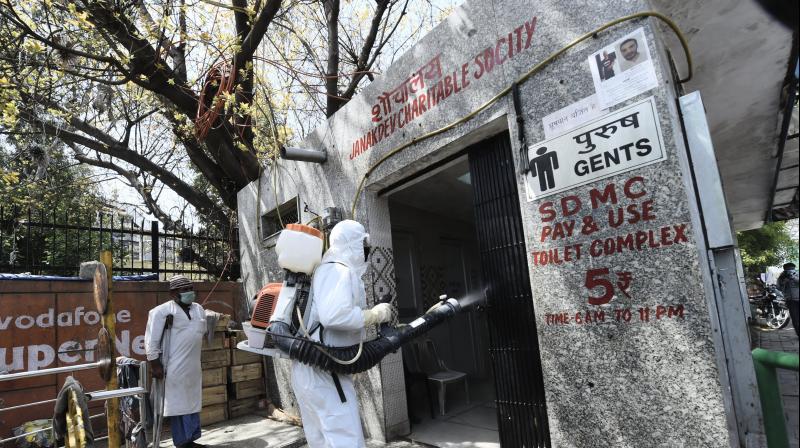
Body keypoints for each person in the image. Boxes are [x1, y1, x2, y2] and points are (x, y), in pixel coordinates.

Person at [291, 220, 394, 447]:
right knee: (346, 440)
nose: (366, 251)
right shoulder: (337, 269)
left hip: (314, 369)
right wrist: (375, 315)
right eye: (363, 245)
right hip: (325, 373)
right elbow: (334, 316)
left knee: (322, 441)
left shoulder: (329, 269)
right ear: (353, 244)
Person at [145, 275, 208, 448]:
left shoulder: (199, 309)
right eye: (184, 290)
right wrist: (155, 364)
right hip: (173, 366)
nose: (189, 292)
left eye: (190, 288)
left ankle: (192, 438)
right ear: (173, 293)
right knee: (178, 404)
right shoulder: (161, 312)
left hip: (193, 366)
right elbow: (151, 341)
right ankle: (182, 442)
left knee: (193, 402)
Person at [777, 262, 799, 337]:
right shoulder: (782, 276)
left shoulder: (797, 274)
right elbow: (778, 288)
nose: (790, 271)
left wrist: (793, 278)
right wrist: (784, 282)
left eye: (791, 269)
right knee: (795, 318)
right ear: (785, 270)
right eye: (788, 270)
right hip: (790, 300)